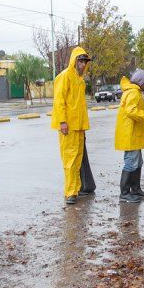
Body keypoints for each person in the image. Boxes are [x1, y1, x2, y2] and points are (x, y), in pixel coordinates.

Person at [51, 47, 92, 205]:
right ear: (74, 61)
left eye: (85, 62)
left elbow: (80, 105)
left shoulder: (80, 80)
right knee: (69, 160)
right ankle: (70, 192)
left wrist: (83, 125)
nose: (83, 65)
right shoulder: (65, 76)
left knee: (77, 160)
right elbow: (59, 101)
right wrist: (62, 121)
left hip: (79, 126)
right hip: (68, 126)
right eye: (80, 61)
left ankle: (75, 189)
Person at [115, 68, 144, 202]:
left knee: (137, 162)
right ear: (140, 81)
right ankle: (125, 193)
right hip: (130, 134)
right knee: (131, 163)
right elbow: (131, 110)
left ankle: (136, 189)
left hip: (133, 134)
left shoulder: (134, 91)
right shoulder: (133, 92)